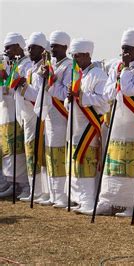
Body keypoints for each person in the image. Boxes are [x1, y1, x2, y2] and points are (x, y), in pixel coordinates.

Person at [91, 29, 134, 217]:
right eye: (123, 49)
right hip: (117, 121)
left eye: (128, 49)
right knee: (114, 164)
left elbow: (130, 90)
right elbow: (108, 92)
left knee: (133, 165)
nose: (124, 53)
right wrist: (121, 70)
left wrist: (125, 70)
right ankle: (108, 201)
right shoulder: (116, 66)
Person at [66, 38, 109, 214]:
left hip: (90, 126)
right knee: (77, 163)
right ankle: (80, 199)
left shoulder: (98, 74)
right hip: (76, 125)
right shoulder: (77, 74)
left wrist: (81, 96)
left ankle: (90, 201)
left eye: (76, 56)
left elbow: (104, 101)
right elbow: (72, 98)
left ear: (86, 55)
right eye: (73, 56)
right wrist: (71, 97)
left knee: (87, 162)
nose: (74, 60)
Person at [37, 31, 73, 208]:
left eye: (56, 46)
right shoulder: (50, 64)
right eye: (51, 46)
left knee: (60, 155)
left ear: (65, 47)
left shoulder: (69, 66)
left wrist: (50, 82)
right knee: (50, 155)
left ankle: (63, 195)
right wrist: (43, 75)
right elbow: (40, 88)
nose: (52, 50)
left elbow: (64, 93)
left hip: (62, 117)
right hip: (50, 116)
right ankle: (53, 193)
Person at [17, 32, 51, 203]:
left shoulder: (42, 69)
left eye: (33, 48)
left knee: (38, 152)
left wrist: (23, 86)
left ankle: (41, 191)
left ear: (41, 49)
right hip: (27, 115)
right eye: (28, 47)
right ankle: (34, 188)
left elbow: (38, 95)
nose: (29, 50)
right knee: (30, 152)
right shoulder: (30, 68)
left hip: (38, 116)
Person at [0, 32, 31, 198]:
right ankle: (12, 183)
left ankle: (24, 185)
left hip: (19, 112)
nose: (6, 51)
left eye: (8, 47)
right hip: (7, 112)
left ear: (18, 46)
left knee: (19, 151)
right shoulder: (10, 64)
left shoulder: (25, 64)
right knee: (9, 150)